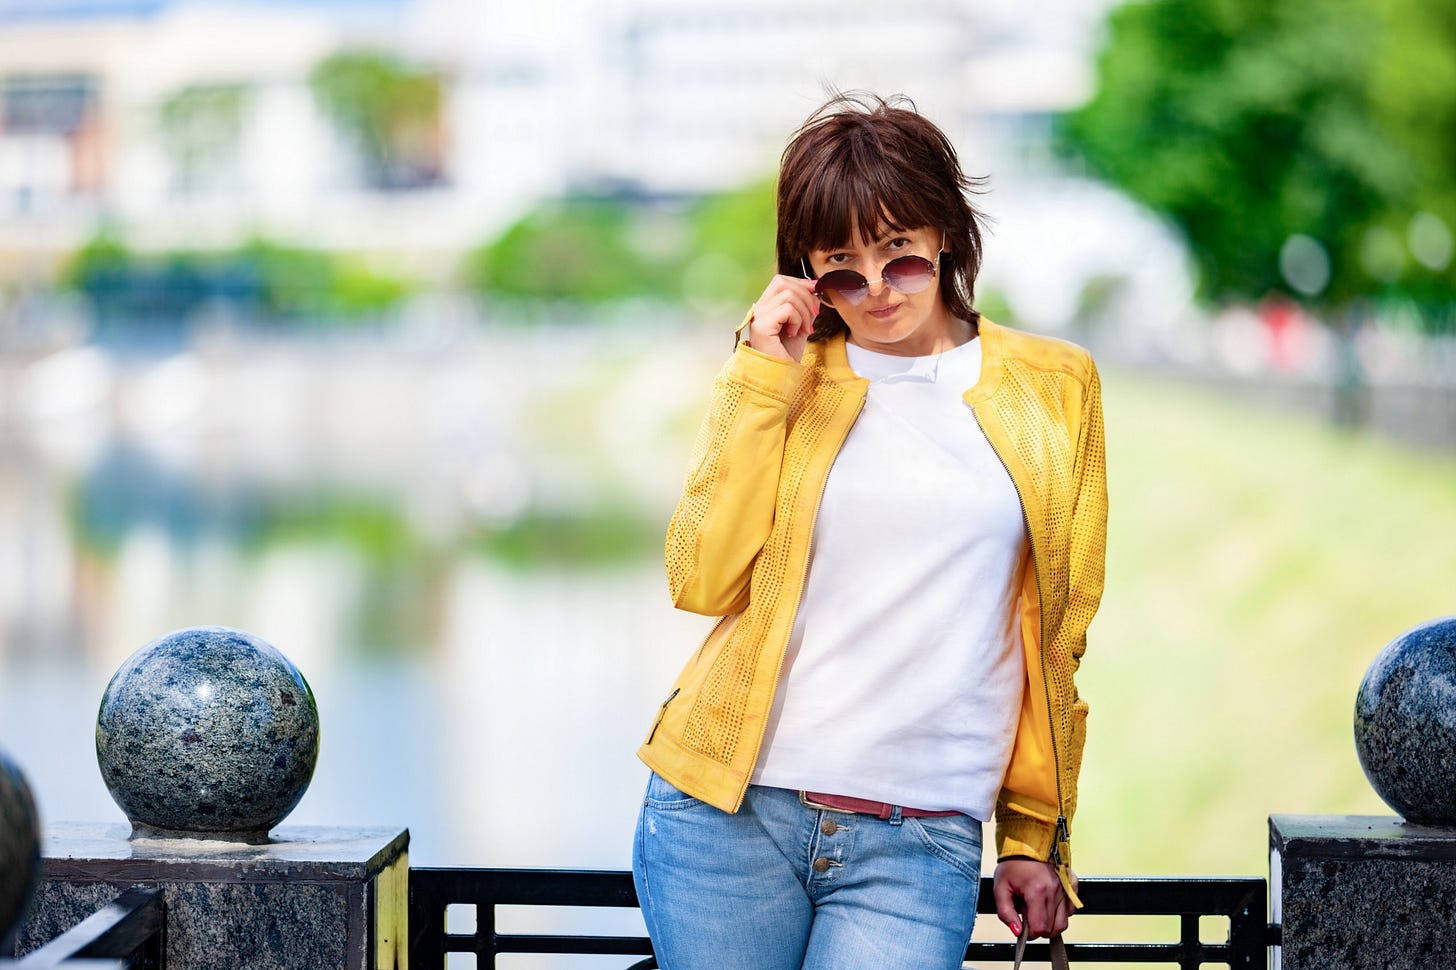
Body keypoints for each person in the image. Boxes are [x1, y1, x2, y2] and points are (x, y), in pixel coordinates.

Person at [632, 92, 1107, 970]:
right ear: (807, 273)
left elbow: (1059, 628)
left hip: (917, 840)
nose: (879, 290)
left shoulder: (1055, 388)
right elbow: (700, 578)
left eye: (902, 256)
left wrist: (1033, 833)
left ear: (947, 238)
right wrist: (759, 377)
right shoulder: (781, 380)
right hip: (728, 819)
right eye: (843, 269)